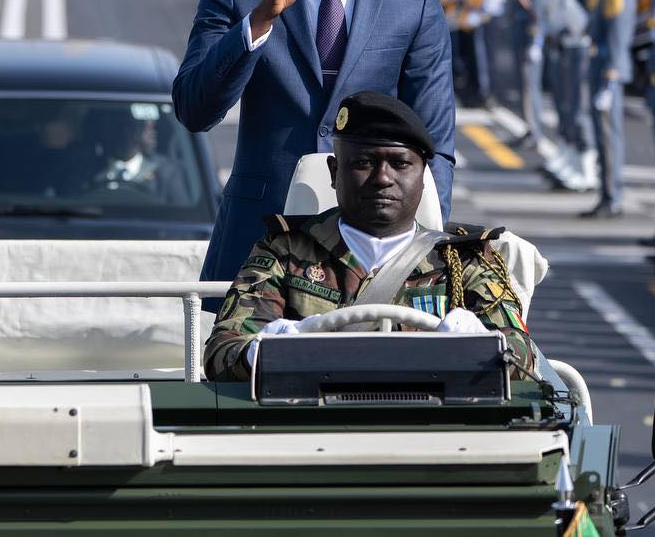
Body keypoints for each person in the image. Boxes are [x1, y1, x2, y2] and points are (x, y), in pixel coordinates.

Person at [173, 0, 456, 306]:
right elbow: (194, 108)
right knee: (244, 378)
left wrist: (420, 242)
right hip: (258, 237)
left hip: (374, 251)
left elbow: (436, 143)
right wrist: (262, 17)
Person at [204, 92, 536, 382]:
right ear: (335, 173)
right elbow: (223, 352)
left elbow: (524, 360)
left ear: (423, 176)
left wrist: (483, 344)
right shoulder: (285, 253)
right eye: (363, 162)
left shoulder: (462, 261)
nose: (382, 178)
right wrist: (266, 350)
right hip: (309, 430)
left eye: (400, 164)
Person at [582, 0, 636, 218]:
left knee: (608, 136)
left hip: (607, 73)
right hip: (602, 68)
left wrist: (611, 75)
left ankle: (612, 197)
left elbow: (617, 35)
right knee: (603, 136)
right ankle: (607, 194)